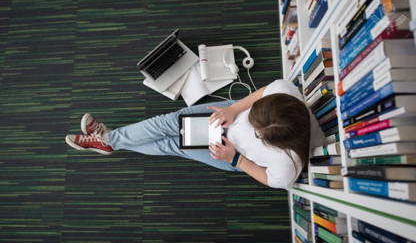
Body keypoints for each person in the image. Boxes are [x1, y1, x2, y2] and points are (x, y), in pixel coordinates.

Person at [65, 79, 323, 189]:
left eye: (258, 133)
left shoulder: (288, 166)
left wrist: (236, 160)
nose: (252, 127)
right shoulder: (286, 92)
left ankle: (109, 140)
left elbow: (269, 179)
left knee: (173, 145)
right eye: (255, 118)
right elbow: (265, 89)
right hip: (228, 116)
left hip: (232, 152)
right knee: (167, 123)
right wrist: (234, 109)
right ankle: (110, 140)